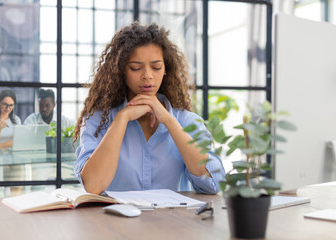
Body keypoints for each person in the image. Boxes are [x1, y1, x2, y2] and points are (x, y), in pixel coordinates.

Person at [74, 22, 225, 195]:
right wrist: (121, 119)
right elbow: (93, 186)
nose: (147, 75)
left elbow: (214, 184)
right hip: (115, 221)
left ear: (165, 69)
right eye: (136, 68)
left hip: (173, 221)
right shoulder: (98, 121)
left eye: (156, 67)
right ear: (121, 71)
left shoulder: (187, 121)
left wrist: (169, 120)